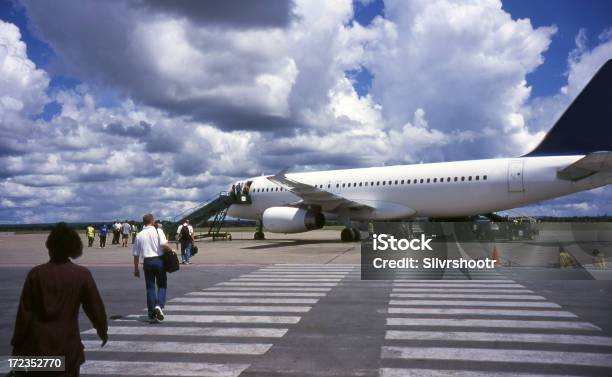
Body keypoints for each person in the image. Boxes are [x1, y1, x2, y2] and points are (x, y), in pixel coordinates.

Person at [11, 222, 108, 377]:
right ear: (73, 248)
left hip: (37, 349)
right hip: (67, 349)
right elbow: (95, 308)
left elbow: (24, 315)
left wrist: (16, 347)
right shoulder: (82, 274)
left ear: (50, 247)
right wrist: (102, 330)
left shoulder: (35, 274)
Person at [133, 213, 171, 323]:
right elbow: (164, 244)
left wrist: (136, 268)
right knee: (162, 284)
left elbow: (136, 254)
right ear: (152, 221)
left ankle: (151, 314)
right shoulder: (158, 231)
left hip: (147, 262)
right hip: (158, 260)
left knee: (150, 287)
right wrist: (171, 250)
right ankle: (159, 306)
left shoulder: (139, 234)